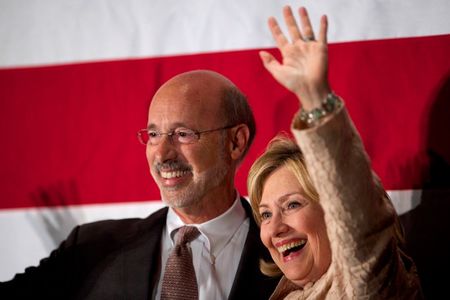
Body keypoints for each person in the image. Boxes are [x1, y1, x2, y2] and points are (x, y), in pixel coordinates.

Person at [0, 72, 279, 298]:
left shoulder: (289, 253)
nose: (162, 154)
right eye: (154, 134)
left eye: (182, 134)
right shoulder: (90, 249)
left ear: (235, 142)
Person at [247, 6, 423, 299]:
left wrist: (316, 99)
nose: (274, 229)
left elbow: (359, 216)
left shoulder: (364, 283)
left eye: (292, 205)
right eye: (265, 214)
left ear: (335, 211)